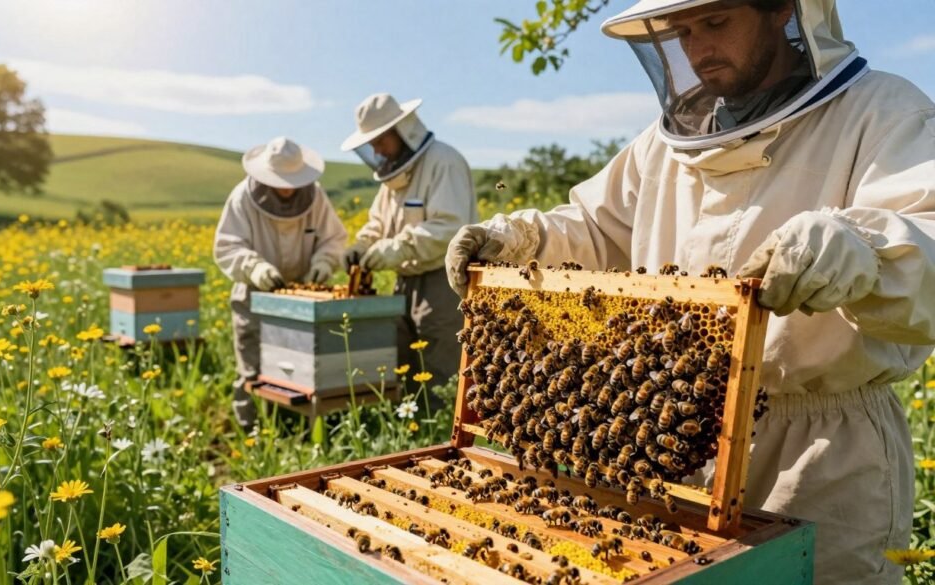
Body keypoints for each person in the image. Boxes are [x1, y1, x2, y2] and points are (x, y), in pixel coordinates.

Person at [447, 1, 935, 583]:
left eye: (716, 22)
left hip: (822, 452)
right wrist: (522, 241)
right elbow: (596, 229)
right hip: (669, 439)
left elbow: (926, 234)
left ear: (782, 8)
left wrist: (860, 248)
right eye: (681, 32)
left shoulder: (882, 110)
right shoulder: (666, 144)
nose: (697, 49)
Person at [341, 93, 478, 397]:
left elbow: (449, 229)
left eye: (380, 140)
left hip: (443, 284)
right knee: (406, 365)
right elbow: (378, 222)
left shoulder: (444, 162)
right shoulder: (392, 175)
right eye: (371, 143)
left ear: (402, 131)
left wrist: (395, 249)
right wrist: (363, 245)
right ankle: (414, 435)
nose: (376, 149)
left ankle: (442, 438)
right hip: (404, 284)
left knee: (441, 373)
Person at [214, 136, 346, 429]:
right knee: (252, 368)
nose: (287, 190)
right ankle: (254, 432)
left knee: (301, 369)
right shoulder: (242, 197)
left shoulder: (316, 197)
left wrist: (324, 262)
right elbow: (227, 246)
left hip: (302, 297)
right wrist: (254, 267)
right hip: (254, 294)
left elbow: (333, 239)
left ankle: (299, 430)